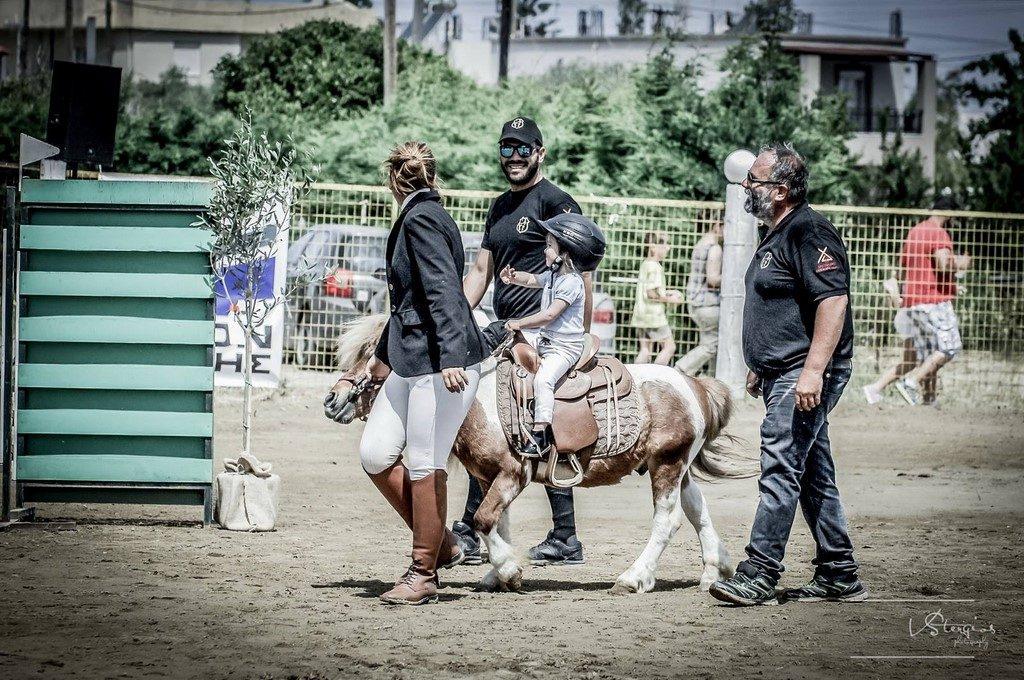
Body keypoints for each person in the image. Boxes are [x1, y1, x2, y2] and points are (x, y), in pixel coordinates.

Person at [709, 143, 867, 606]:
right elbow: (781, 306)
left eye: (753, 181)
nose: (745, 186)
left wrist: (812, 371)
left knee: (779, 463)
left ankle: (759, 571)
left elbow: (832, 301)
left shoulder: (809, 231)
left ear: (779, 190)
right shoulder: (776, 231)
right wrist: (763, 365)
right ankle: (839, 572)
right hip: (784, 371)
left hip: (807, 371)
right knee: (812, 472)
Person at [358, 142, 489, 606]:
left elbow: (442, 292)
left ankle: (423, 574)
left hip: (440, 363)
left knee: (425, 461)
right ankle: (444, 543)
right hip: (413, 357)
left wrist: (452, 355)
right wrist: (381, 358)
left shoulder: (422, 218)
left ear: (394, 180)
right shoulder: (424, 213)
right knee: (375, 453)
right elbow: (409, 302)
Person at [459, 116, 591, 566]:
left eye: (523, 149)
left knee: (526, 415)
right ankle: (482, 525)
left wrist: (579, 336)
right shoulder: (498, 207)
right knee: (489, 418)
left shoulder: (556, 201)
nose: (514, 158)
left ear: (540, 152)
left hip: (542, 330)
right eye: (506, 149)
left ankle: (562, 535)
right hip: (505, 328)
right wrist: (455, 318)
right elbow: (481, 271)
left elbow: (582, 273)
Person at [501, 216, 598, 455]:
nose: (545, 250)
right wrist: (514, 277)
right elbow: (534, 280)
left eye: (549, 245)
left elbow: (549, 315)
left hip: (564, 347)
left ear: (565, 251)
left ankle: (540, 433)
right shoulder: (555, 275)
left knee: (543, 380)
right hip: (546, 338)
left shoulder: (572, 282)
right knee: (509, 345)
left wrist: (519, 323)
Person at [893, 195, 971, 406]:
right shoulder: (939, 233)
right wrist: (962, 263)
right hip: (934, 299)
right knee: (949, 347)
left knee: (931, 352)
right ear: (950, 214)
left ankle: (929, 399)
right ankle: (911, 382)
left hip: (913, 300)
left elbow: (902, 267)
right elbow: (944, 264)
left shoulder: (915, 231)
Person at [861, 277, 933, 404]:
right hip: (910, 317)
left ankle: (875, 389)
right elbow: (894, 298)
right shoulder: (903, 275)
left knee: (912, 361)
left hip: (908, 317)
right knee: (926, 359)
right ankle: (927, 398)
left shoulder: (908, 274)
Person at [675, 222, 723, 375]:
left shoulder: (700, 244)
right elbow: (713, 279)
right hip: (708, 304)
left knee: (710, 344)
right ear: (718, 225)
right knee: (711, 345)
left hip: (696, 302)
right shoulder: (714, 248)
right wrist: (732, 274)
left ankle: (710, 379)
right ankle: (681, 370)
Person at [631, 231, 684, 365]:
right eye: (665, 244)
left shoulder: (646, 264)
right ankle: (656, 376)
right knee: (669, 347)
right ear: (653, 246)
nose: (668, 248)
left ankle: (635, 380)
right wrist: (670, 299)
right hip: (654, 317)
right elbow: (651, 294)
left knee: (645, 350)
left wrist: (667, 293)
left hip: (641, 315)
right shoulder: (655, 267)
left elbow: (648, 290)